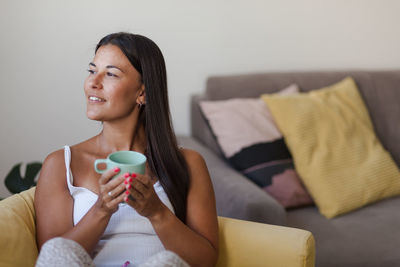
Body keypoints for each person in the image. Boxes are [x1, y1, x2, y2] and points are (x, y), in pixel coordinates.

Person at [34, 32, 219, 267]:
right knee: (58, 250)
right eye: (92, 71)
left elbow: (207, 260)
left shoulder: (188, 163)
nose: (93, 82)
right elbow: (52, 257)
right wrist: (102, 209)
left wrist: (156, 212)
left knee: (166, 263)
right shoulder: (61, 163)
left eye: (110, 74)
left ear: (142, 92)